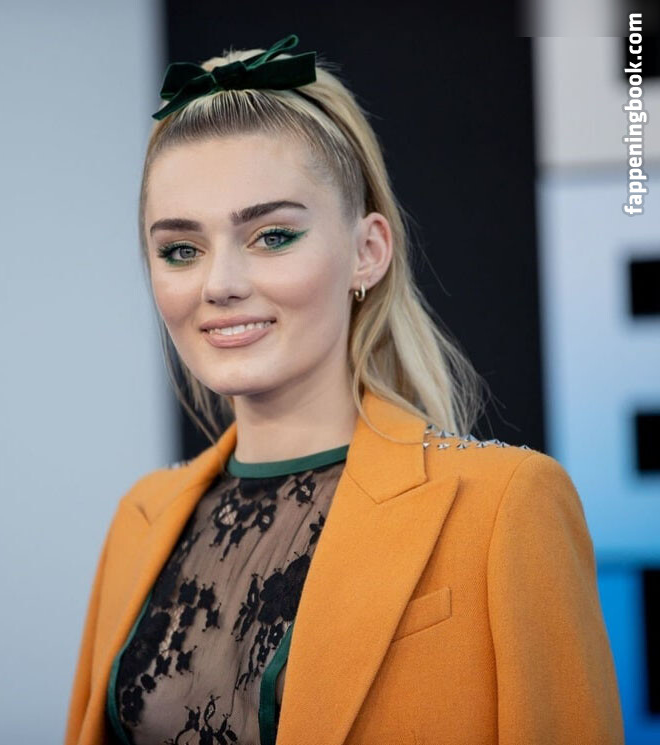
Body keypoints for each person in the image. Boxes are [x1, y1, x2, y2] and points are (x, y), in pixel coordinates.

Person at [64, 34, 624, 745]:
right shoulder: (139, 518)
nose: (220, 284)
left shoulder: (507, 506)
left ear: (368, 251)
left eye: (272, 236)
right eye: (181, 249)